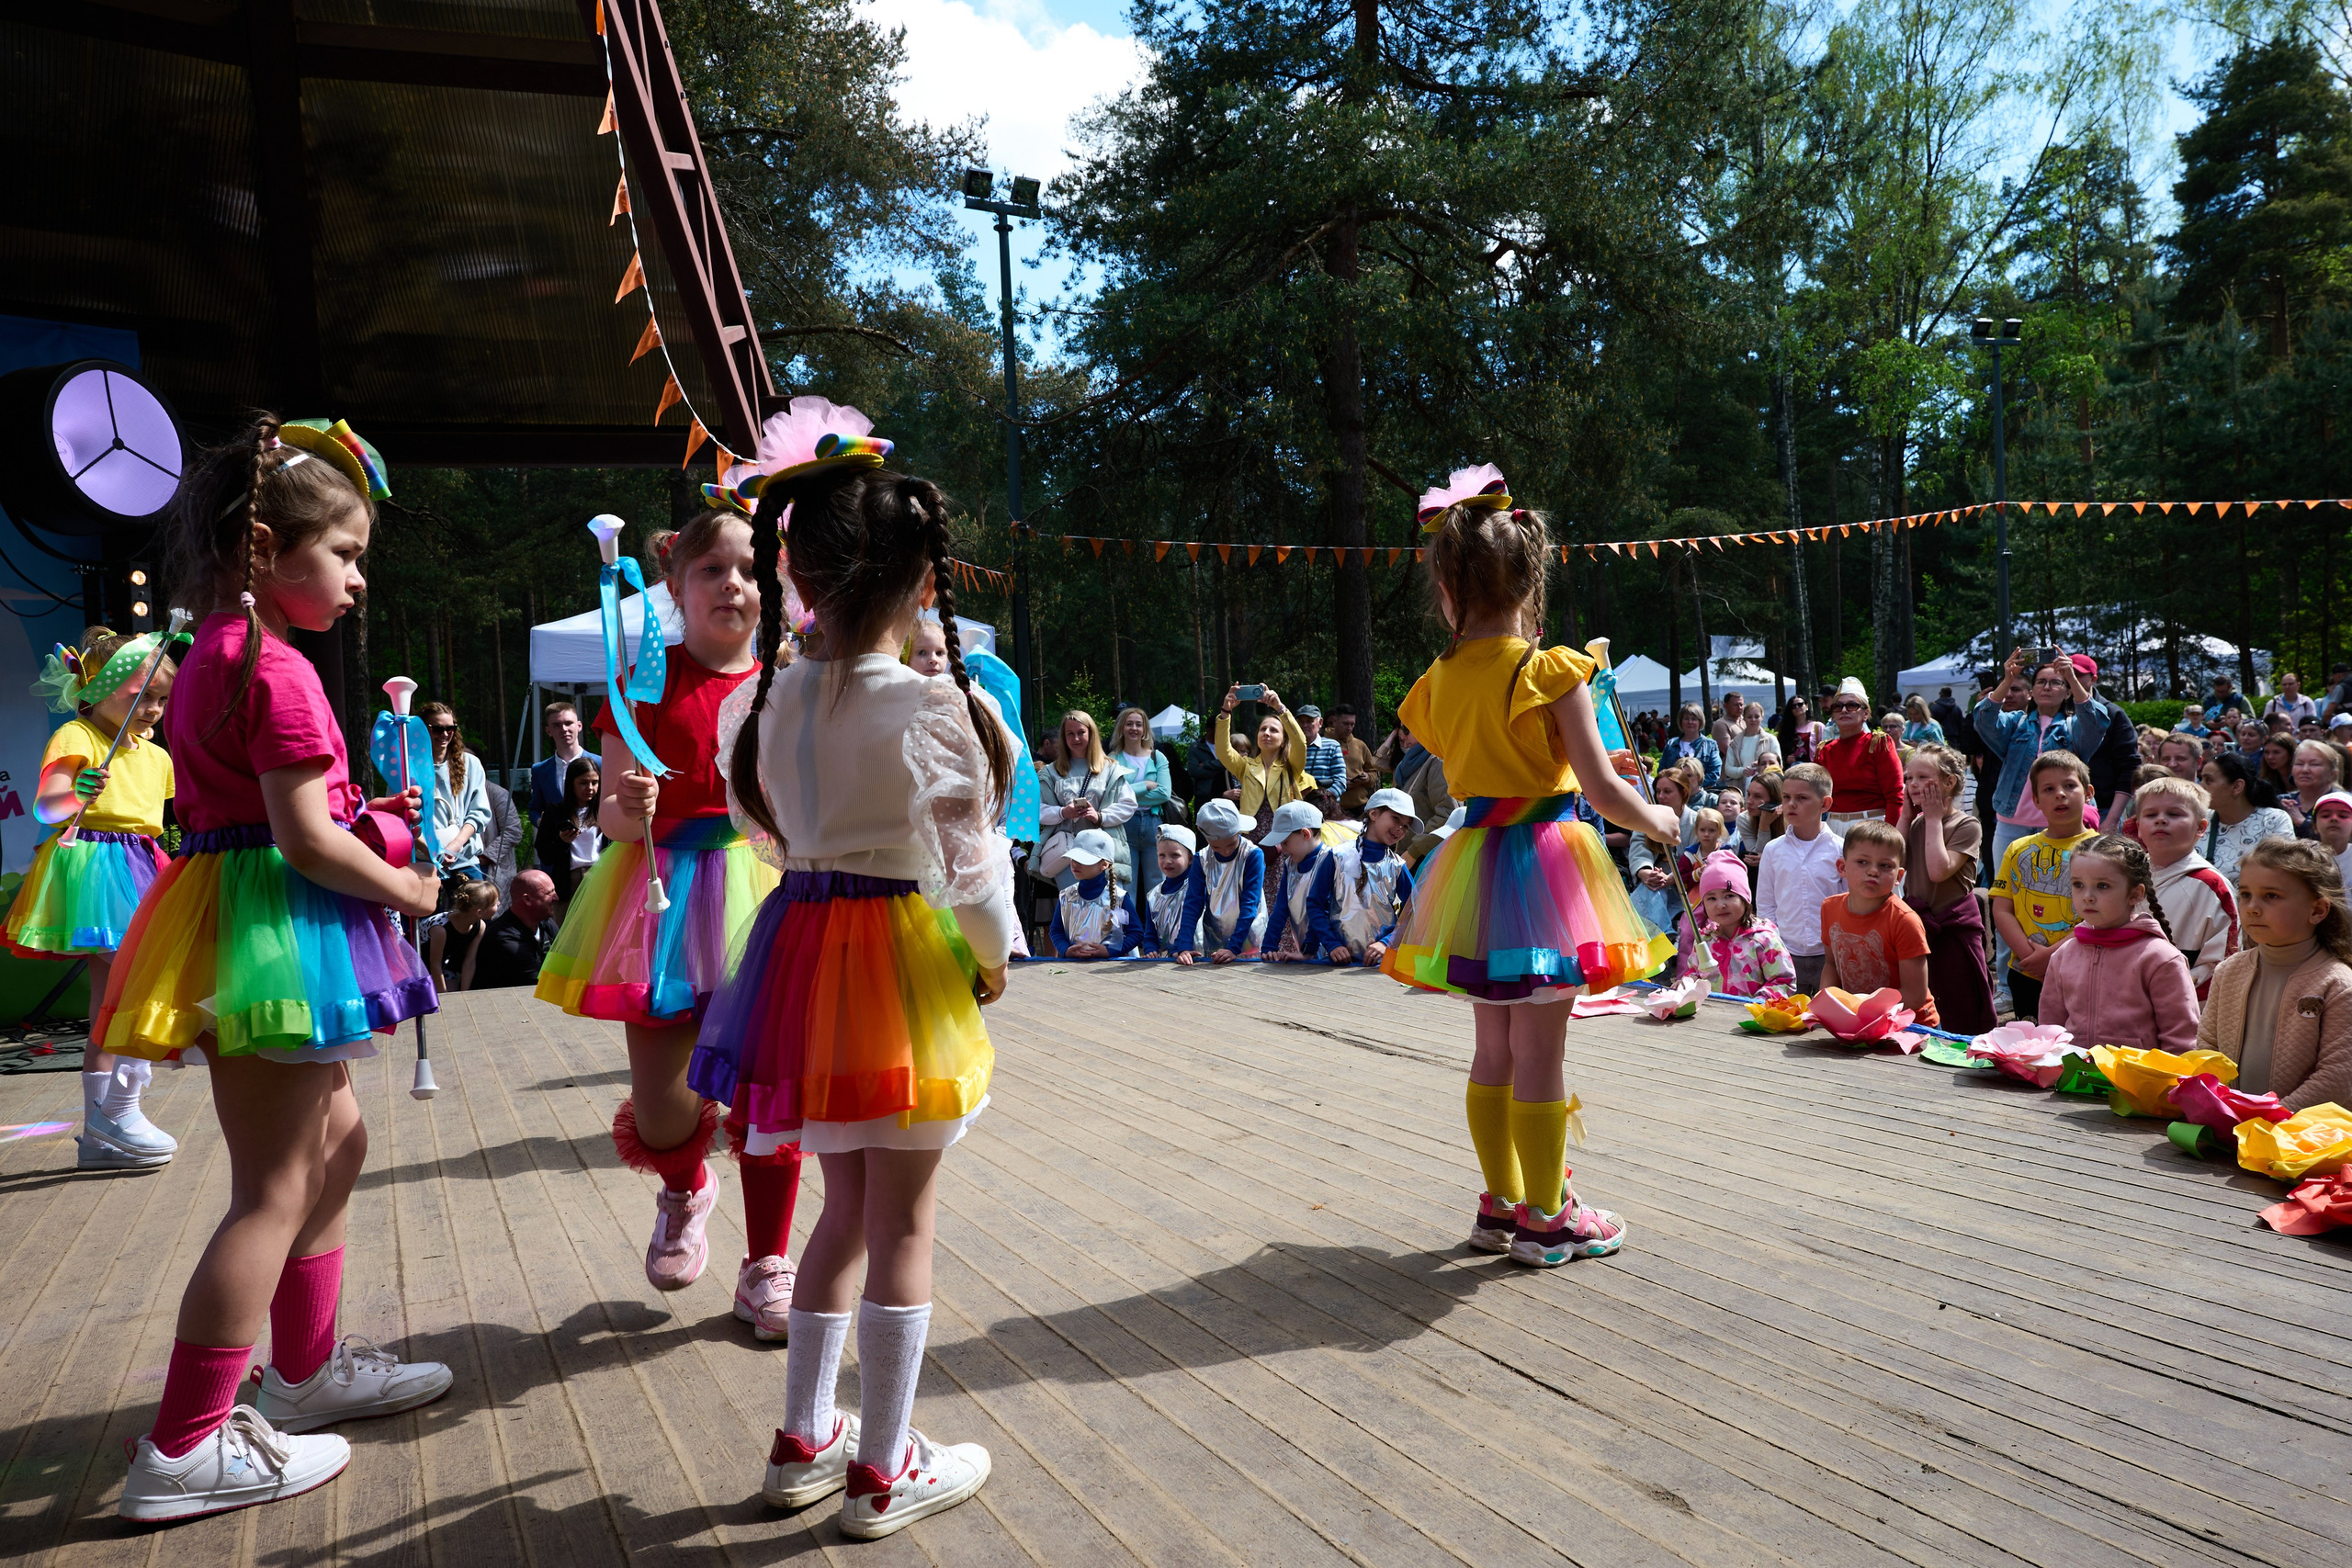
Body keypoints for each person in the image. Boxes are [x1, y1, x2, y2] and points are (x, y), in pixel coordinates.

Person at [102, 413, 448, 1520]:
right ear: (265, 547)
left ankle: (302, 1375)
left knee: (336, 1145)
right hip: (278, 936)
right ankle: (184, 1448)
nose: (355, 581)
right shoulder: (278, 670)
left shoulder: (209, 653)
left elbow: (279, 814)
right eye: (343, 554)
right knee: (276, 1186)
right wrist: (406, 886)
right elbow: (303, 838)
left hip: (246, 924)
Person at [685, 439, 1015, 1537]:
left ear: (796, 580)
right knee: (904, 1218)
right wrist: (992, 960)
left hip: (802, 954)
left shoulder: (767, 706)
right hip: (898, 952)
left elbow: (768, 835)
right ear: (926, 584)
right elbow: (972, 878)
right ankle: (882, 1468)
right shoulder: (929, 708)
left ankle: (803, 1438)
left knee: (843, 1210)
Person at [1377, 470, 1678, 1269]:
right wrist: (1661, 819)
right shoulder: (1550, 671)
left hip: (1474, 864)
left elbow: (1476, 756)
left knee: (1493, 1047)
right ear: (1529, 578)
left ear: (1447, 586)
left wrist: (1558, 758)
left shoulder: (1437, 680)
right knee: (1543, 1050)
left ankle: (1500, 1203)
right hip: (1547, 867)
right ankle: (1549, 1217)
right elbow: (1609, 793)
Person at [532, 508, 793, 1340]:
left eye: (750, 570)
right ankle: (685, 1189)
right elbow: (609, 813)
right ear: (675, 584)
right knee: (661, 1111)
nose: (734, 585)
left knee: (768, 1092)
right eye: (712, 569)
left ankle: (766, 1266)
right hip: (662, 892)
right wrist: (628, 803)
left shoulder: (787, 682)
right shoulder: (646, 677)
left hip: (767, 886)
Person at [8, 625, 181, 1170]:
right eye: (140, 696)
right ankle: (121, 1109)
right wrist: (73, 792)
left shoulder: (156, 757)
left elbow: (167, 822)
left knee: (111, 997)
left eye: (159, 698)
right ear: (97, 690)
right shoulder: (77, 738)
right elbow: (47, 807)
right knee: (132, 984)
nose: (152, 709)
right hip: (96, 867)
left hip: (142, 864)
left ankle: (99, 1136)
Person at [2195, 839, 2352, 1111]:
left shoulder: (2338, 985)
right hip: (2231, 1129)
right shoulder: (2229, 971)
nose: (2253, 907)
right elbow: (2207, 1045)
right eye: (2245, 894)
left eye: (2271, 896)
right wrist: (2220, 1107)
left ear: (2317, 910)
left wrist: (2271, 1119)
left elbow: (2337, 1076)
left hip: (2299, 1142)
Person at [2034, 834, 2199, 1054]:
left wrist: (2165, 1084)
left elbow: (2181, 1038)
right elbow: (2050, 1029)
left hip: (2138, 1083)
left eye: (2102, 886)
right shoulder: (2064, 955)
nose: (2087, 896)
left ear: (2135, 894)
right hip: (2073, 1081)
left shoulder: (2160, 958)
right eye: (2078, 884)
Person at [1989, 751, 2098, 1021]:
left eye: (2070, 786)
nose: (2060, 794)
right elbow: (2002, 909)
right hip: (2026, 971)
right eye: (2049, 789)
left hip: (2082, 971)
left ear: (2088, 793)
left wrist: (2052, 956)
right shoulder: (2018, 849)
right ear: (2036, 800)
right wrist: (2031, 958)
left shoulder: (2104, 852)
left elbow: (2103, 917)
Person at [1897, 743, 1995, 1034]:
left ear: (1949, 782)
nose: (1913, 784)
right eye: (1908, 778)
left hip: (1952, 927)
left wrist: (1932, 818)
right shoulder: (1913, 824)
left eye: (1922, 777)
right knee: (1920, 1006)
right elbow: (1894, 862)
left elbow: (1938, 871)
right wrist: (1904, 816)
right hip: (1917, 928)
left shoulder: (1966, 824)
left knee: (1959, 1001)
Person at [1816, 820, 1937, 1023]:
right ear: (1842, 867)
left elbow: (1914, 995)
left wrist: (1860, 1012)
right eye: (1862, 862)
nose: (1873, 871)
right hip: (1856, 1020)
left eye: (1885, 865)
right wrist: (1827, 1005)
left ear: (1899, 876)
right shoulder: (1829, 908)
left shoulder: (1904, 921)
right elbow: (1831, 965)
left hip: (1909, 1025)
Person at [2136, 776, 2238, 1000]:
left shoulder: (2210, 886)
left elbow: (2222, 963)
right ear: (2138, 828)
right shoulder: (2124, 875)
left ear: (2201, 827)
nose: (2161, 820)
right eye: (2151, 814)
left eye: (2174, 814)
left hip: (2180, 1005)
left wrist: (2173, 995)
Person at [1757, 762, 1844, 994]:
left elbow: (1847, 902)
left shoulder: (1841, 850)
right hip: (1786, 954)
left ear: (1824, 804)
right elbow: (1766, 904)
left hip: (1830, 957)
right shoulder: (1773, 850)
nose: (1791, 804)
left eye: (1802, 798)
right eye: (1786, 797)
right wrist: (1774, 946)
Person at [1036, 709, 1138, 886]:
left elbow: (1129, 804)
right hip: (1067, 852)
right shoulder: (1050, 772)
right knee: (1072, 908)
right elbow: (1036, 810)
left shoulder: (1110, 768)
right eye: (1070, 734)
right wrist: (1062, 813)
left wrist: (1100, 816)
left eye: (1081, 732)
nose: (1076, 738)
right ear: (1063, 737)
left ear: (1091, 734)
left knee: (1108, 908)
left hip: (1102, 852)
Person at [1693, 850, 1798, 999]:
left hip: (1752, 1018)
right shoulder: (1703, 939)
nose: (1720, 905)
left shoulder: (1763, 940)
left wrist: (1760, 1001)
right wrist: (1687, 983)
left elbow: (1783, 980)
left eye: (1729, 896)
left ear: (1745, 899)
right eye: (1711, 898)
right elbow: (1693, 972)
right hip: (1709, 1017)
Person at [1214, 684, 1312, 840]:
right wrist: (1226, 712)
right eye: (1262, 729)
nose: (1266, 733)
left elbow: (1300, 743)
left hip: (1285, 838)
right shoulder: (1246, 766)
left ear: (1283, 740)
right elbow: (1222, 750)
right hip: (1250, 839)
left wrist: (1280, 708)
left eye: (1273, 730)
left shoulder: (1292, 765)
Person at [1333, 788, 1418, 964]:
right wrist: (1331, 944)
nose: (1400, 828)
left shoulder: (1397, 865)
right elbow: (1316, 903)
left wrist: (1387, 942)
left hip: (1380, 963)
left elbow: (1413, 909)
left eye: (1406, 826)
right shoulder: (1337, 855)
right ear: (1373, 813)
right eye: (1396, 818)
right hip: (1335, 960)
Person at [1260, 799, 1350, 963]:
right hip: (1308, 954)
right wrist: (1268, 948)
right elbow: (1280, 910)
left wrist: (1309, 950)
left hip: (1334, 952)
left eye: (1285, 842)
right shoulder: (1290, 865)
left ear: (1305, 834)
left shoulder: (1331, 860)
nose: (1283, 849)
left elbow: (1323, 909)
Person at [1627, 760, 1702, 941]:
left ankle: (1660, 940)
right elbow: (1639, 844)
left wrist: (1671, 879)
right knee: (1650, 888)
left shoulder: (1697, 820)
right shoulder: (1648, 815)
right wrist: (1644, 871)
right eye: (1658, 791)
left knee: (1646, 896)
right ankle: (1665, 936)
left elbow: (1700, 860)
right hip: (1654, 881)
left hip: (1685, 885)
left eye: (1667, 792)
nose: (1661, 796)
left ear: (1683, 792)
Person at [1108, 824, 1207, 961]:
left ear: (1190, 858)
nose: (1167, 861)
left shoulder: (1198, 888)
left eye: (1175, 855)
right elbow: (1150, 935)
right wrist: (1150, 950)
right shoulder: (1153, 896)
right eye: (1162, 855)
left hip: (1196, 958)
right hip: (1166, 964)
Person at [416, 703, 489, 887]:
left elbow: (479, 813)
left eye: (450, 728)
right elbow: (402, 819)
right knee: (426, 916)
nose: (445, 734)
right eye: (438, 729)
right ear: (423, 730)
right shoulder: (408, 766)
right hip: (423, 861)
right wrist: (433, 852)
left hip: (464, 859)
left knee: (474, 913)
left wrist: (455, 845)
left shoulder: (471, 764)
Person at [2199, 751, 2295, 886]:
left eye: (2209, 780)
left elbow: (2283, 874)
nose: (2201, 786)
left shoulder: (2273, 820)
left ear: (2237, 786)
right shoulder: (2200, 821)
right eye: (2201, 779)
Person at [1818, 678, 1904, 823]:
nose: (1844, 710)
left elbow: (1895, 796)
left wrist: (1891, 836)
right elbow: (1815, 797)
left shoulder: (1878, 744)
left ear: (1865, 713)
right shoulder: (1826, 750)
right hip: (1832, 828)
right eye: (1838, 706)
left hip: (1872, 826)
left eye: (1852, 705)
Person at [529, 699, 595, 884]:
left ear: (579, 726)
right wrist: (543, 822)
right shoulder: (540, 770)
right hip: (560, 864)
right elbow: (534, 809)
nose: (564, 729)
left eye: (568, 723)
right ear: (548, 731)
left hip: (596, 860)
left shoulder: (599, 764)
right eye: (557, 725)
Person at [1192, 798, 1267, 960]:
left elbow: (1250, 903)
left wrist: (1234, 948)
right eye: (1216, 847)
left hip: (1249, 939)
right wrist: (1183, 946)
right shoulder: (1202, 859)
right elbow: (1192, 904)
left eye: (1231, 844)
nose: (1225, 852)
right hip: (1215, 938)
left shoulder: (1253, 855)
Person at [1109, 705, 1172, 883]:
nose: (1134, 728)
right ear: (1122, 727)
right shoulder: (1112, 759)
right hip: (1125, 824)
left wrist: (1128, 792)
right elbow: (1113, 795)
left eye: (1138, 724)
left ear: (1145, 729)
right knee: (1125, 883)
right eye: (1129, 724)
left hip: (1153, 823)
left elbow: (1164, 793)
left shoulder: (1157, 757)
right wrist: (1144, 785)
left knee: (1157, 882)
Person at [472, 869, 561, 990]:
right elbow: (542, 984)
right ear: (527, 900)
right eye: (549, 894)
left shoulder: (545, 923)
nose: (556, 897)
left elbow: (564, 960)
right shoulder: (506, 939)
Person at [1048, 829, 1125, 958]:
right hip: (1071, 967)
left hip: (1109, 968)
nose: (1075, 864)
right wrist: (1066, 950)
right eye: (1073, 858)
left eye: (1083, 859)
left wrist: (1109, 951)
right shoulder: (1066, 896)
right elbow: (1056, 930)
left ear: (1104, 865)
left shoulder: (1119, 897)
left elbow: (1135, 933)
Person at [538, 754, 604, 906]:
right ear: (571, 784)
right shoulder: (555, 812)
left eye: (595, 783)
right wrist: (562, 841)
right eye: (583, 783)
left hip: (600, 876)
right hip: (569, 880)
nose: (590, 788)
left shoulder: (604, 810)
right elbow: (544, 854)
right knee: (567, 925)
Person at [424, 876, 499, 991]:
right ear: (479, 912)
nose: (499, 904)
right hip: (421, 965)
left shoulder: (479, 926)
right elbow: (434, 964)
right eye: (494, 903)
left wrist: (464, 994)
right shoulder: (441, 930)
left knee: (455, 993)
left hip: (446, 966)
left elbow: (470, 961)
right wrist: (444, 996)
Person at [2278, 739, 2349, 837]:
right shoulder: (2281, 802)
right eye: (2299, 764)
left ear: (2332, 774)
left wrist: (2301, 822)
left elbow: (2339, 842)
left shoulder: (2346, 804)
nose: (2305, 770)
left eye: (2314, 764)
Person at [1329, 704, 1382, 816]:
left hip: (1359, 807)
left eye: (1352, 724)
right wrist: (1339, 783)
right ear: (1335, 721)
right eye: (1345, 724)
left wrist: (1366, 778)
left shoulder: (1360, 745)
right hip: (1332, 806)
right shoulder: (1323, 744)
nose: (1349, 728)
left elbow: (1373, 771)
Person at [1721, 700, 1781, 794]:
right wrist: (1742, 771)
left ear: (1762, 717)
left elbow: (1779, 765)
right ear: (1743, 718)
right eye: (1749, 717)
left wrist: (1763, 765)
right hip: (1740, 789)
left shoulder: (1771, 740)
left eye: (1757, 717)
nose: (1753, 720)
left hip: (1767, 788)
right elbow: (1728, 769)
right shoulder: (1734, 743)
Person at [1660, 702, 1723, 788]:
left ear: (1700, 722)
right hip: (1675, 795)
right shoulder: (1671, 744)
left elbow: (1714, 774)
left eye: (1694, 719)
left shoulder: (1710, 745)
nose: (1690, 722)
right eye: (1686, 718)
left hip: (1701, 795)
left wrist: (1690, 787)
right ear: (1681, 721)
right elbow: (1662, 771)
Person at [481, 774, 524, 903]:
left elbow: (513, 831)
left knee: (491, 913)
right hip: (460, 864)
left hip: (491, 867)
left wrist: (486, 857)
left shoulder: (497, 793)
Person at [1737, 770, 1785, 874]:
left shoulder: (1791, 817)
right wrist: (1764, 825)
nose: (1749, 801)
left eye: (1757, 796)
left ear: (1774, 800)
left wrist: (1770, 859)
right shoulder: (1744, 818)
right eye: (1748, 794)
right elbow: (1756, 857)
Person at [1296, 704, 1347, 796]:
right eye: (1301, 722)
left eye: (1309, 721)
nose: (1304, 725)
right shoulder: (1291, 748)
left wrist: (1323, 798)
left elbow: (1341, 781)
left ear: (1320, 723)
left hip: (1326, 806)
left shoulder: (1332, 746)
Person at [2313, 789, 2352, 886]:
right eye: (2326, 816)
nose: (2334, 819)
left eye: (2342, 816)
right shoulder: (2303, 857)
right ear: (2314, 826)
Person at [1775, 694, 1822, 765]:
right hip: (1794, 770)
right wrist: (1786, 758)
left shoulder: (1818, 726)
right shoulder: (1786, 729)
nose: (1797, 707)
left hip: (1814, 769)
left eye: (1800, 704)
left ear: (1807, 706)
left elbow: (1825, 749)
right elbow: (1779, 751)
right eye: (1793, 706)